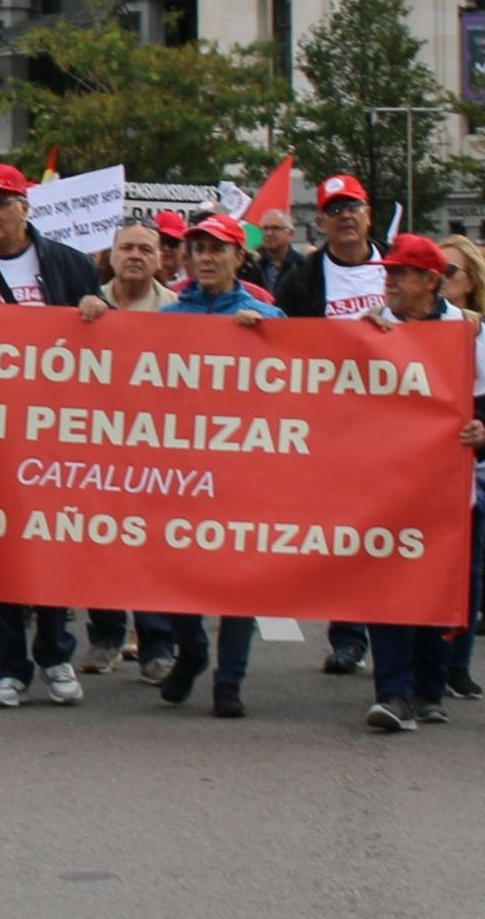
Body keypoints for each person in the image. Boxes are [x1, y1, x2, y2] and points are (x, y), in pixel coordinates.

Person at [0, 163, 107, 709]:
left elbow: (109, 340)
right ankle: (10, 666)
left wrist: (101, 310)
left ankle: (55, 656)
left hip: (55, 435)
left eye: (1, 203)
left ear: (25, 208)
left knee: (49, 548)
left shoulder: (70, 265)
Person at [358, 234, 485, 733]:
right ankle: (393, 692)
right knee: (387, 588)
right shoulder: (373, 327)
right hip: (386, 487)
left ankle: (429, 686)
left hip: (446, 490)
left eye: (400, 274)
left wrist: (483, 431)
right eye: (388, 273)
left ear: (429, 281)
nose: (390, 281)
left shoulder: (463, 332)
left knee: (438, 592)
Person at [156, 213, 281, 718]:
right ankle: (192, 651)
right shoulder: (167, 319)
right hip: (180, 470)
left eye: (216, 249)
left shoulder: (264, 317)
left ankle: (229, 680)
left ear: (239, 257)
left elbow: (300, 379)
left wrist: (265, 337)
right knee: (171, 571)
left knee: (238, 578)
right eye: (198, 248)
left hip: (242, 471)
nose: (205, 257)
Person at [272, 173, 387, 674]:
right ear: (319, 221)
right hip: (332, 425)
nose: (345, 217)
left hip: (397, 424)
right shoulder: (302, 278)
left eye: (353, 207)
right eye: (334, 209)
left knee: (395, 532)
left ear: (369, 215)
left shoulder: (400, 269)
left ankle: (406, 640)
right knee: (346, 534)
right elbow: (283, 346)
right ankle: (348, 636)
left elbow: (439, 322)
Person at [80, 218, 177, 676]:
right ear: (111, 257)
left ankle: (157, 643)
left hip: (159, 450)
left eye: (145, 249)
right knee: (100, 545)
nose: (135, 255)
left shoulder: (180, 313)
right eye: (126, 248)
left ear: (159, 260)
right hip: (99, 448)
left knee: (153, 549)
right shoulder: (85, 308)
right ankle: (104, 636)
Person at [441, 234, 485, 699]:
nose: (441, 280)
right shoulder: (407, 325)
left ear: (472, 282)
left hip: (477, 470)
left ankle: (457, 664)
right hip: (424, 467)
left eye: (451, 272)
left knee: (468, 570)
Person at [255, 208, 303, 292]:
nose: (269, 233)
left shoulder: (302, 266)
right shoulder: (256, 266)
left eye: (275, 228)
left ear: (290, 234)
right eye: (265, 228)